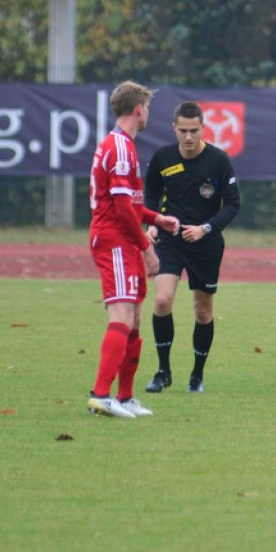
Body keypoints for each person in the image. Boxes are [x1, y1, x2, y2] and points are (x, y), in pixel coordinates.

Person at [87, 80, 180, 418]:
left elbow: (132, 204)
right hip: (115, 240)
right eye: (148, 109)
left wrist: (159, 218)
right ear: (139, 110)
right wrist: (147, 248)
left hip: (122, 238)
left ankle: (125, 397)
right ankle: (101, 394)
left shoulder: (120, 144)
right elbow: (122, 211)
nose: (147, 115)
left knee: (135, 319)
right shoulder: (121, 148)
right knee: (122, 316)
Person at [142, 101, 241, 394]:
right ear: (174, 128)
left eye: (193, 130)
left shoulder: (219, 160)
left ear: (203, 129)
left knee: (202, 311)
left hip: (205, 244)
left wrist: (205, 228)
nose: (188, 137)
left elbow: (233, 204)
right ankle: (163, 371)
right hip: (169, 240)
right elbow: (150, 193)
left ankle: (197, 375)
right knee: (161, 301)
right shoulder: (162, 157)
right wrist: (150, 223)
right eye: (183, 130)